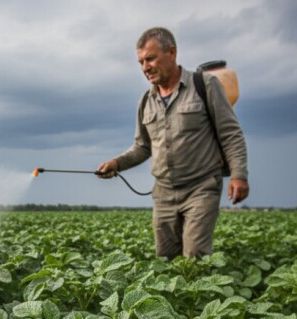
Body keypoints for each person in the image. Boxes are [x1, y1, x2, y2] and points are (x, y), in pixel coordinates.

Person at [97, 27, 249, 259]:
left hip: (201, 186)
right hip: (163, 192)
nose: (145, 67)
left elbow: (230, 133)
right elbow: (143, 147)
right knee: (165, 259)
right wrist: (116, 163)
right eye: (140, 62)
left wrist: (239, 174)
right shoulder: (146, 101)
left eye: (150, 58)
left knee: (195, 255)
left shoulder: (205, 85)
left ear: (172, 52)